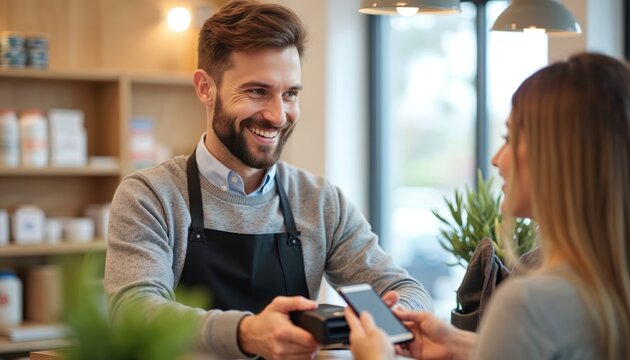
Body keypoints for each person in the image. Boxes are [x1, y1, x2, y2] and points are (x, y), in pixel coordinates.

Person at [103, 1, 432, 359]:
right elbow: (133, 312)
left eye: (290, 93)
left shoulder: (320, 201)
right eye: (258, 91)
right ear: (205, 88)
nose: (278, 116)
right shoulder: (150, 196)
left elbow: (404, 288)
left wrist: (394, 317)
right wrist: (246, 333)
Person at [344, 52, 630, 360]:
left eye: (509, 138)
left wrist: (375, 356)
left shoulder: (527, 306)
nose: (496, 158)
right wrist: (460, 345)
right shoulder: (609, 290)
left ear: (555, 158)